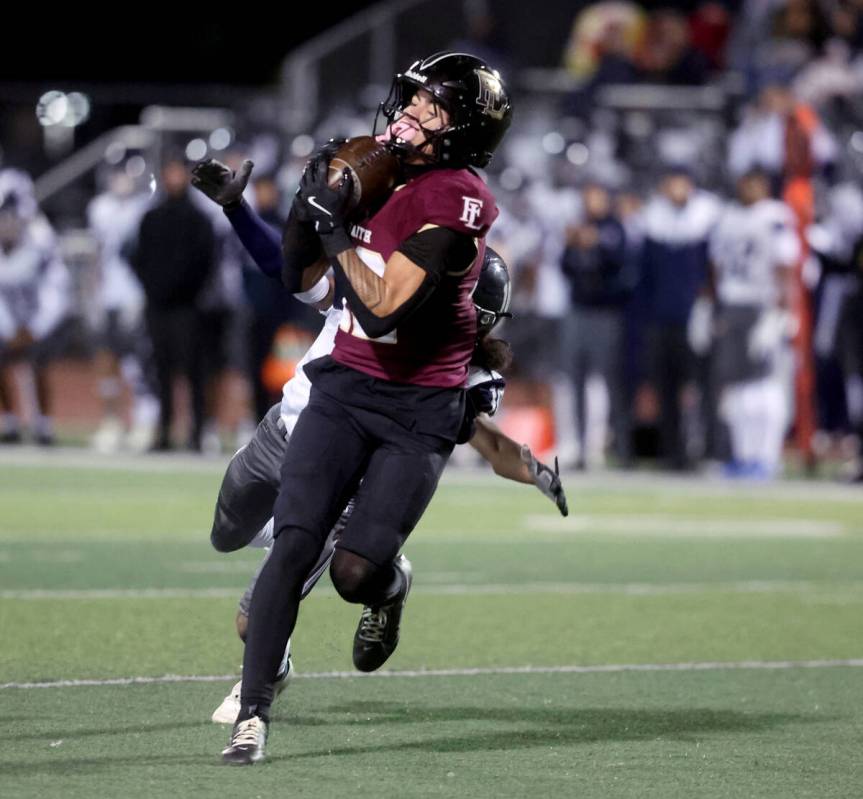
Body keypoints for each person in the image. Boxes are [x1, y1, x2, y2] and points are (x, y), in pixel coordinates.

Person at [211, 51, 513, 765]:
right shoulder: (381, 175)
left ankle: (387, 583)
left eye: (430, 107)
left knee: (351, 572)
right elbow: (300, 279)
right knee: (284, 543)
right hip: (340, 390)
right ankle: (251, 719)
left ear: (464, 130)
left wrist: (336, 229)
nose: (408, 113)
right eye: (410, 100)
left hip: (411, 411)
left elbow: (379, 309)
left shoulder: (457, 202)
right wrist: (300, 210)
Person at [196, 246, 567, 725]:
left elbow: (488, 443)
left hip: (347, 480)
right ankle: (303, 555)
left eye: (475, 315)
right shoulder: (382, 303)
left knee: (264, 612)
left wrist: (539, 473)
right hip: (290, 438)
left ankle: (268, 676)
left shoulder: (462, 372)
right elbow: (295, 270)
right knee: (226, 533)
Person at [701, 169, 800, 478]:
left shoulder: (775, 216)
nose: (749, 189)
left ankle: (767, 458)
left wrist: (781, 310)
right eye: (745, 183)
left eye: (755, 183)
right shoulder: (728, 217)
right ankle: (743, 456)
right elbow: (715, 265)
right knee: (737, 388)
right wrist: (709, 305)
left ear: (766, 186)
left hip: (762, 304)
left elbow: (785, 264)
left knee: (766, 384)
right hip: (733, 304)